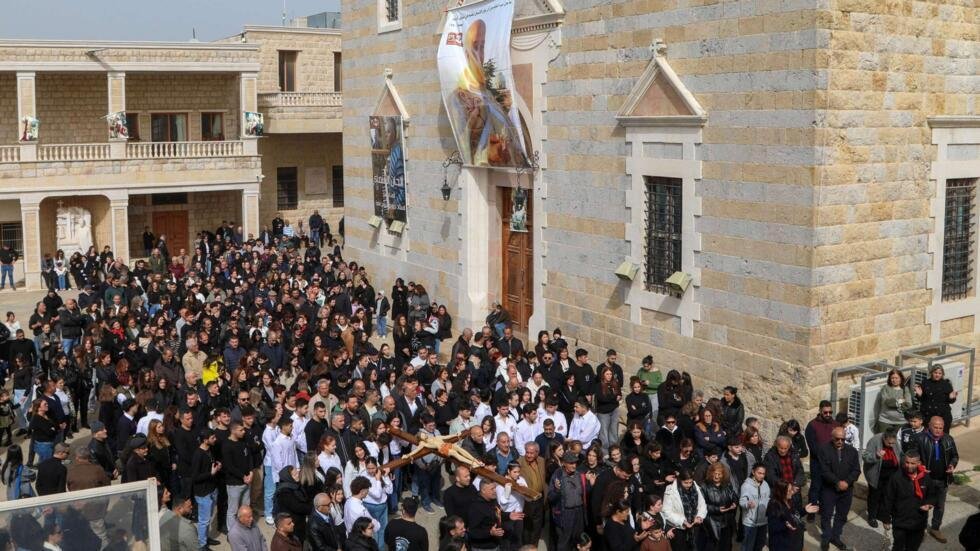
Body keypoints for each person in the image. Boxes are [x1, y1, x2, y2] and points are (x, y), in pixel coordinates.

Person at [882, 449, 938, 551]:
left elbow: (932, 495)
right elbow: (888, 499)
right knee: (898, 547)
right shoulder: (896, 478)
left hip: (918, 522)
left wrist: (929, 504)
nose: (909, 466)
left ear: (919, 463)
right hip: (900, 522)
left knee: (913, 548)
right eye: (907, 462)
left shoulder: (926, 477)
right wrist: (886, 519)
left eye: (913, 463)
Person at [915, 415, 958, 543]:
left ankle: (935, 528)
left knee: (940, 506)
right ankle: (920, 530)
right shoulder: (920, 439)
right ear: (929, 426)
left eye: (941, 428)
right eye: (936, 427)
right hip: (926, 479)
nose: (938, 430)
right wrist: (920, 466)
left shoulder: (948, 439)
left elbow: (955, 456)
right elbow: (912, 456)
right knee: (923, 505)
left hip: (942, 480)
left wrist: (952, 465)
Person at [817, 427, 860, 551]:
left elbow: (856, 470)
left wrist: (847, 482)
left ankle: (835, 537)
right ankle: (826, 538)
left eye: (843, 439)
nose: (840, 441)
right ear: (832, 437)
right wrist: (837, 482)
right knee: (826, 514)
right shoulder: (824, 450)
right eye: (837, 439)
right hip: (829, 489)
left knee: (841, 515)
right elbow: (824, 470)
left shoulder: (852, 451)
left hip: (846, 490)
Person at [862, 429, 901, 529]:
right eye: (889, 443)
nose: (891, 445)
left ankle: (883, 515)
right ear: (884, 438)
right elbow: (865, 456)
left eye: (893, 443)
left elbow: (900, 454)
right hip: (877, 474)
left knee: (887, 496)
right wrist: (876, 455)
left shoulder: (895, 442)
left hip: (891, 474)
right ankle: (872, 517)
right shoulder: (875, 440)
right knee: (874, 496)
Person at [804, 401, 836, 516]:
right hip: (817, 463)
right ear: (820, 411)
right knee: (816, 487)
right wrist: (825, 458)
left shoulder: (835, 424)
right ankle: (811, 512)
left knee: (827, 488)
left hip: (831, 463)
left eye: (830, 412)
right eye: (825, 412)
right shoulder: (812, 425)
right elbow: (813, 447)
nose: (828, 414)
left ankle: (823, 509)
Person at [766, 479, 818, 551]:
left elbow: (794, 515)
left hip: (794, 544)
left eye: (791, 489)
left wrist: (805, 510)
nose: (792, 492)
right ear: (781, 492)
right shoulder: (774, 506)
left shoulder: (789, 501)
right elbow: (773, 526)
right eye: (789, 490)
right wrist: (785, 525)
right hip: (782, 546)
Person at [662, 469, 706, 551]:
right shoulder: (670, 490)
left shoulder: (695, 487)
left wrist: (699, 516)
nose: (688, 485)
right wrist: (682, 521)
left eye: (690, 482)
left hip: (694, 527)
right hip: (678, 529)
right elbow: (666, 511)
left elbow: (702, 504)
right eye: (686, 483)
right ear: (680, 480)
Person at [914, 366, 957, 434]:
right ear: (931, 373)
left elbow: (950, 401)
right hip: (928, 416)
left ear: (942, 374)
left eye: (940, 373)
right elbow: (921, 400)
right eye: (935, 372)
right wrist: (919, 395)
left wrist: (952, 398)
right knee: (927, 437)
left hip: (943, 416)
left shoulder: (946, 384)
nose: (937, 375)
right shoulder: (925, 383)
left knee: (943, 437)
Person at [738, 464, 769, 551]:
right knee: (748, 546)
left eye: (763, 473)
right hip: (750, 523)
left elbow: (768, 499)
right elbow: (742, 501)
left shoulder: (766, 485)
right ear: (753, 472)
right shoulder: (746, 486)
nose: (762, 476)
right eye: (759, 473)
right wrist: (748, 504)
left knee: (759, 546)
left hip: (763, 522)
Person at [876, 369, 912, 433]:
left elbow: (908, 404)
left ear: (901, 378)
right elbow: (887, 402)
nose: (894, 380)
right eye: (892, 378)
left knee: (897, 441)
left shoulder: (905, 389)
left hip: (901, 421)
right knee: (884, 439)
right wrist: (900, 401)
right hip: (885, 420)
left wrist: (895, 402)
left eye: (896, 378)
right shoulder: (885, 388)